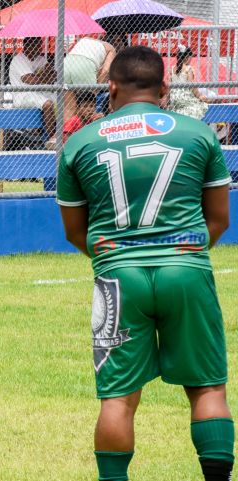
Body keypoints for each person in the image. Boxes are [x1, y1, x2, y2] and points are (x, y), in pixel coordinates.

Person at [57, 46, 233, 481]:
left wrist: (114, 258)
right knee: (207, 387)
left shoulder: (80, 142)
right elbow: (219, 219)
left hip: (117, 276)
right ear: (165, 87)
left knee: (117, 399)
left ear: (110, 87)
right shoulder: (198, 134)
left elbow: (75, 231)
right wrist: (184, 251)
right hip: (187, 268)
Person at [9, 36, 57, 147]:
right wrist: (44, 76)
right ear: (27, 46)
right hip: (23, 95)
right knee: (48, 104)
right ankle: (53, 138)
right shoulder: (18, 60)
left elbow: (53, 76)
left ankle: (64, 133)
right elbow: (30, 80)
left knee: (62, 99)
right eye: (35, 45)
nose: (38, 48)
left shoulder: (40, 59)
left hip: (40, 92)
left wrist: (44, 75)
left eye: (39, 45)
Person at [63, 36, 117, 121]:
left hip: (66, 63)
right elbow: (105, 71)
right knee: (89, 105)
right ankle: (85, 132)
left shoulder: (86, 39)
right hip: (85, 64)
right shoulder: (111, 48)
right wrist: (97, 88)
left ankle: (65, 132)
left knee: (69, 108)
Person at [168, 44, 211, 120]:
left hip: (174, 98)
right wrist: (199, 96)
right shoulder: (188, 69)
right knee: (202, 105)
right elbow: (192, 86)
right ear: (187, 57)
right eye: (191, 58)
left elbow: (168, 84)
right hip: (185, 98)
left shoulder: (172, 69)